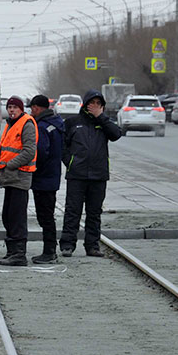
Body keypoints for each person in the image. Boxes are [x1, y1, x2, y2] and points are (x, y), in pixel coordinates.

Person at [60, 89, 121, 257]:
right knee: (73, 211)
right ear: (85, 104)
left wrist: (101, 117)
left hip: (98, 175)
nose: (94, 106)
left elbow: (116, 134)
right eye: (92, 103)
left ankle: (92, 246)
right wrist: (70, 162)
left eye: (98, 103)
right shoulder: (73, 122)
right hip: (77, 175)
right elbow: (63, 145)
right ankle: (67, 244)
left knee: (94, 213)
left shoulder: (104, 123)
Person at [0, 95, 37, 266]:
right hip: (10, 177)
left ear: (21, 109)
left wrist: (9, 165)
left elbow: (29, 151)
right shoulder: (11, 124)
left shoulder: (26, 124)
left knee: (17, 217)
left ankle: (19, 254)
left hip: (19, 176)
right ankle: (12, 251)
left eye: (15, 107)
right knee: (8, 216)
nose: (11, 110)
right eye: (9, 107)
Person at [28, 94, 64, 264]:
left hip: (42, 178)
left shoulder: (41, 126)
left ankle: (49, 252)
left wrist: (32, 168)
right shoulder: (57, 124)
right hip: (53, 175)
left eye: (32, 108)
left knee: (45, 216)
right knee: (48, 214)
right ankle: (50, 249)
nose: (31, 111)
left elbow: (41, 152)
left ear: (36, 107)